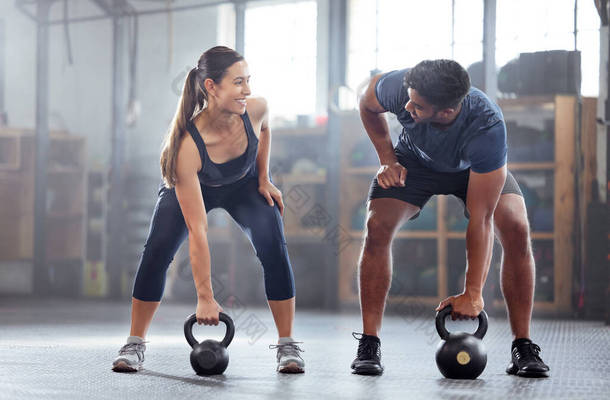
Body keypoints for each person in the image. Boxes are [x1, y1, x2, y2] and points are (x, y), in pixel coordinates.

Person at [112, 46, 304, 374]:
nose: (248, 90)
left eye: (249, 80)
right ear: (212, 87)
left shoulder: (256, 109)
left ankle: (287, 345)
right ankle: (134, 342)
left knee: (273, 244)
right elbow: (198, 232)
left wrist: (264, 178)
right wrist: (205, 297)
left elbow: (265, 131)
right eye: (238, 82)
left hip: (243, 185)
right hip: (193, 186)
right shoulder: (187, 146)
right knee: (156, 251)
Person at [351, 59, 550, 378]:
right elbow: (366, 102)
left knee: (516, 227)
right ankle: (369, 343)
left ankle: (523, 345)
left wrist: (473, 293)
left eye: (417, 106)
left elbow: (481, 218)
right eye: (409, 98)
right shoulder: (401, 86)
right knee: (376, 226)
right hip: (412, 163)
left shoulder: (486, 126)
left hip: (472, 171)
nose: (406, 107)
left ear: (445, 112)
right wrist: (387, 160)